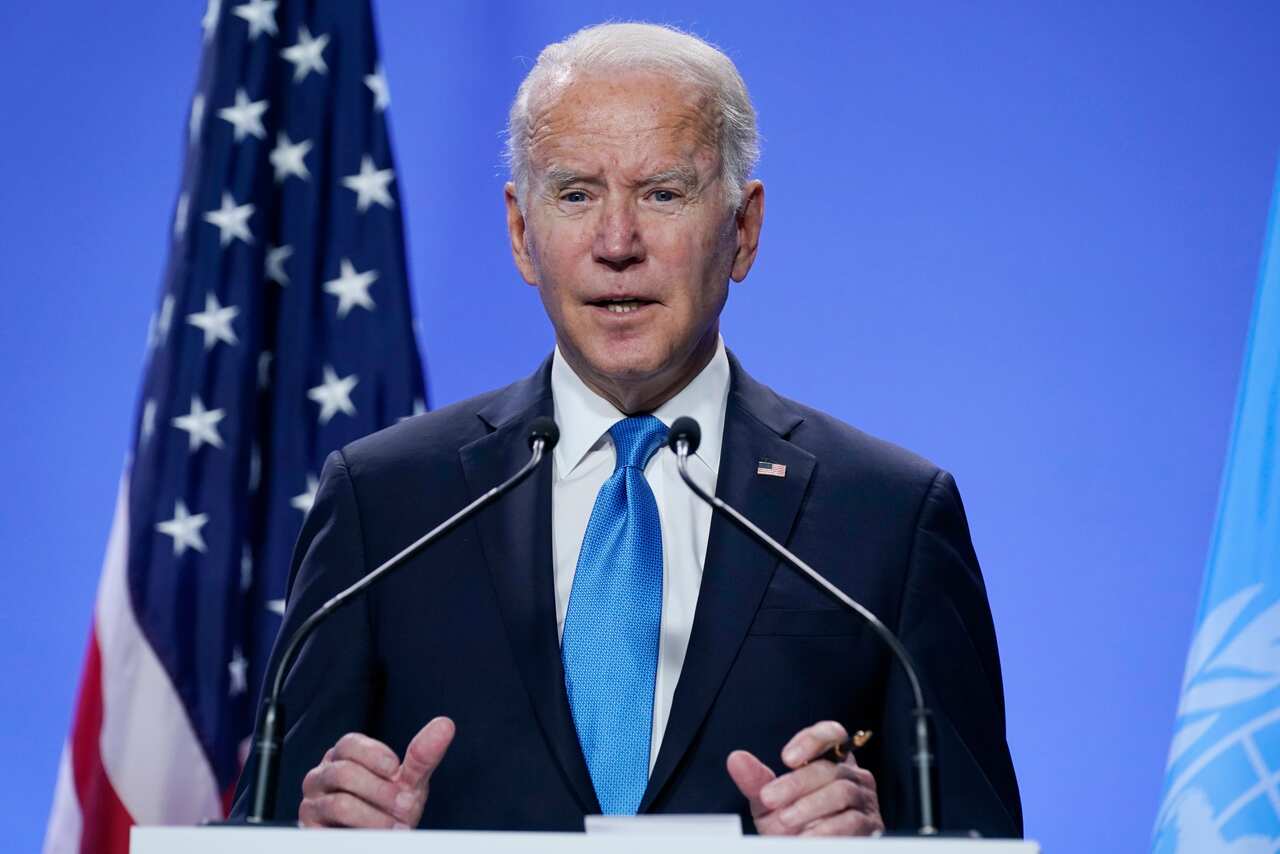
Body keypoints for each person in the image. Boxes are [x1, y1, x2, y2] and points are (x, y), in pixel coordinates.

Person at [231, 22, 1022, 837]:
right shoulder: (389, 503)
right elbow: (257, 824)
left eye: (663, 193)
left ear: (743, 229)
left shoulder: (886, 515)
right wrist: (314, 830)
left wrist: (883, 844)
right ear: (520, 232)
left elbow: (977, 836)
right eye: (576, 194)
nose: (617, 244)